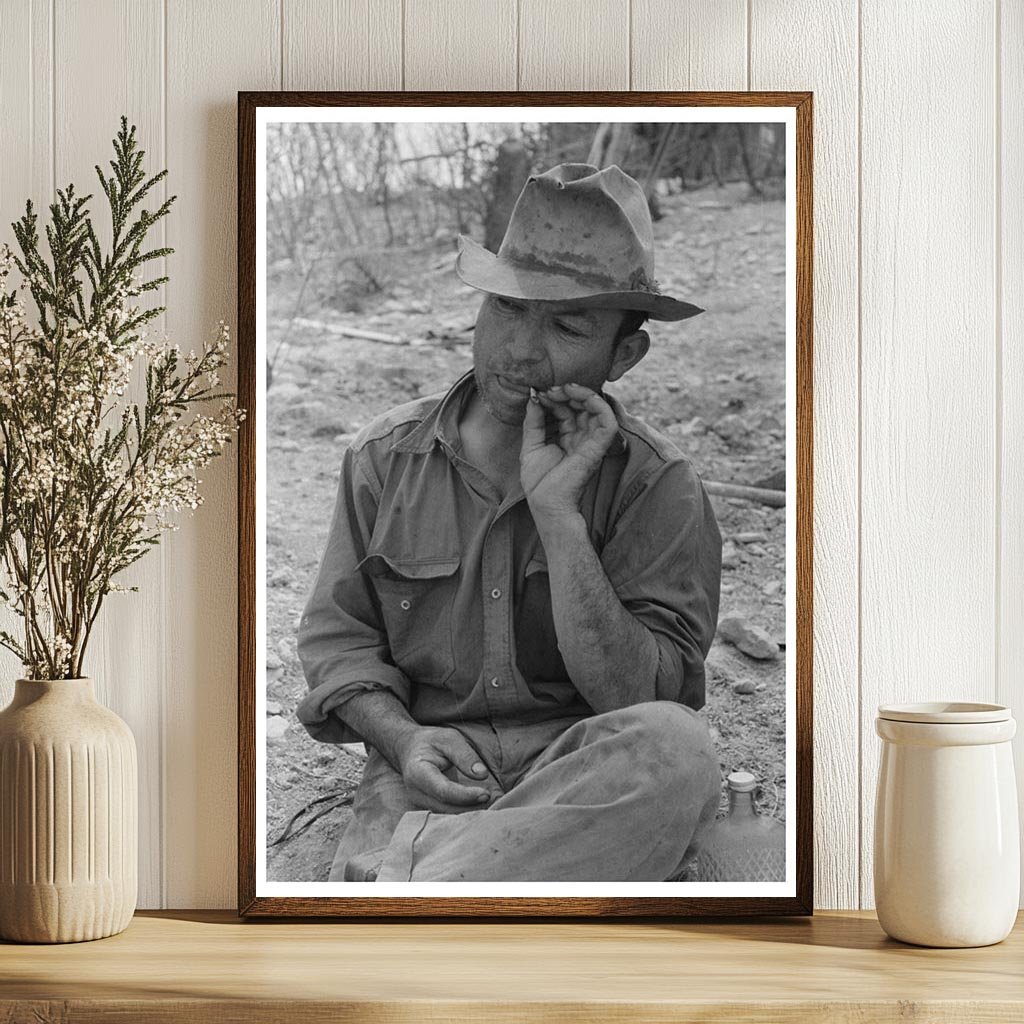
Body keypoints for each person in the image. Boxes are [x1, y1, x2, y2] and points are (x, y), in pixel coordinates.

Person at [295, 162, 723, 883]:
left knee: (679, 752)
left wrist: (559, 517)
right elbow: (341, 644)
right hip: (431, 773)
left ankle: (410, 884)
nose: (520, 350)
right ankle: (465, 880)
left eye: (567, 326)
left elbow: (644, 702)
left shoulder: (658, 484)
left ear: (624, 355)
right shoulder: (384, 458)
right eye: (508, 308)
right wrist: (404, 741)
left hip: (578, 774)